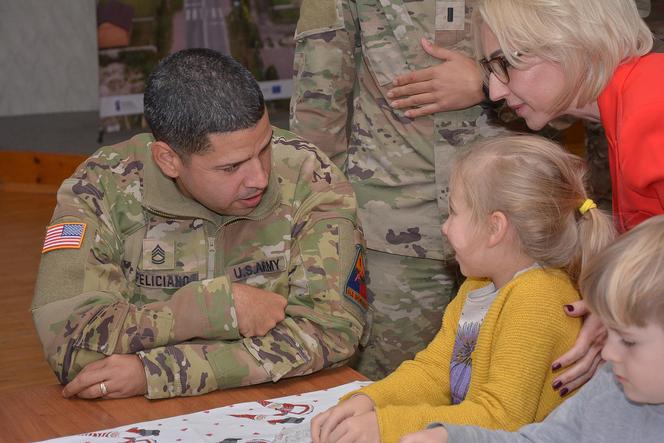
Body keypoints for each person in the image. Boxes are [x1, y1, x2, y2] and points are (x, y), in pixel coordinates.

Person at [30, 48, 367, 400]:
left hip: (273, 399)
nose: (260, 177)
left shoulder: (308, 176)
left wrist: (160, 371)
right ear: (169, 160)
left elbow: (332, 332)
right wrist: (206, 311)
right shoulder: (101, 187)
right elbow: (69, 344)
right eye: (231, 167)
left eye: (264, 148)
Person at [310, 135, 616, 443]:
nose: (445, 226)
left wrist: (386, 425)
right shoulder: (479, 286)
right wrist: (370, 400)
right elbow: (435, 370)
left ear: (495, 228)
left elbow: (499, 419)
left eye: (454, 212)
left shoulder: (537, 299)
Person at [400, 214, 664, 443]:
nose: (606, 353)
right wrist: (451, 437)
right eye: (608, 332)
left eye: (628, 341)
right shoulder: (607, 388)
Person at [473, 0, 664, 233]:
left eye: (506, 62)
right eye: (490, 70)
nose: (495, 92)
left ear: (570, 40)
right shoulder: (630, 106)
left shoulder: (650, 116)